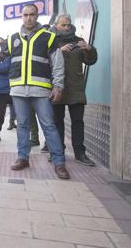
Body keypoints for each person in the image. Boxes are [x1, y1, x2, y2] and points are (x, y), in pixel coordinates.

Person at [0, 4, 71, 179]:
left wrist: (58, 86)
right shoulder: (13, 38)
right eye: (26, 15)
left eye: (32, 15)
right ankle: (23, 158)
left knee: (49, 125)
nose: (29, 18)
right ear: (22, 17)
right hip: (19, 90)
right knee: (22, 125)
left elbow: (58, 64)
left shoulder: (48, 38)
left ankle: (59, 162)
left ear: (37, 16)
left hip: (41, 90)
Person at [51, 14, 98, 166]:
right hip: (57, 88)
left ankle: (80, 153)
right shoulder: (50, 41)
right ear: (56, 25)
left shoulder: (78, 41)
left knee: (78, 121)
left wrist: (89, 49)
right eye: (63, 25)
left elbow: (90, 61)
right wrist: (59, 52)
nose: (66, 27)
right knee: (57, 122)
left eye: (68, 25)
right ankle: (58, 152)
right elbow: (43, 61)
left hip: (76, 89)